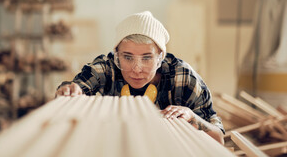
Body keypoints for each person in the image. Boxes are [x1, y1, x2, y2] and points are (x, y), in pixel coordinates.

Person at [56, 11, 224, 144]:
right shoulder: (106, 69)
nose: (136, 69)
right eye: (127, 57)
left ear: (160, 57)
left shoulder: (184, 78)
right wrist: (69, 90)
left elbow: (218, 140)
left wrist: (192, 117)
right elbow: (76, 89)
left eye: (147, 58)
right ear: (116, 56)